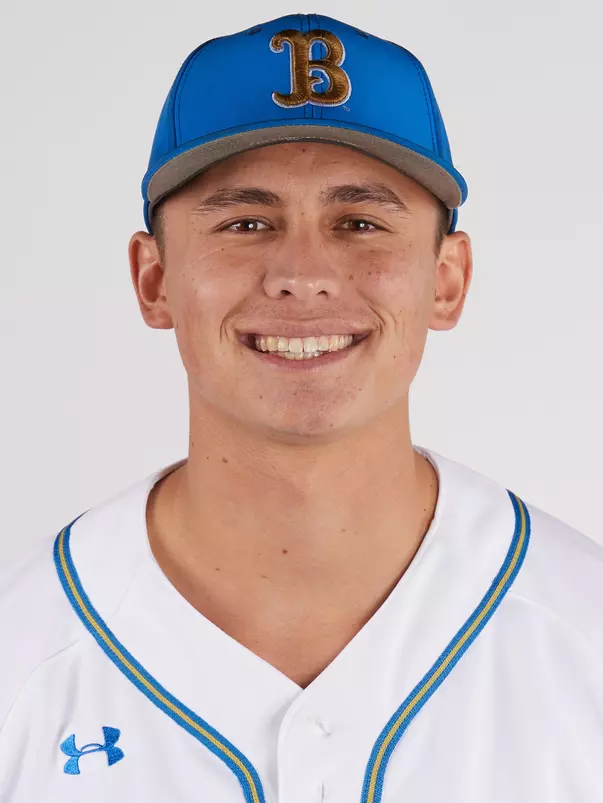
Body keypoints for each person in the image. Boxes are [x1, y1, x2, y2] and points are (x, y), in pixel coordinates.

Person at [1, 13, 602, 803]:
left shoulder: (584, 635)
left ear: (446, 279)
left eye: (359, 223)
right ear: (153, 280)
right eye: (245, 222)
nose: (302, 274)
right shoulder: (22, 659)